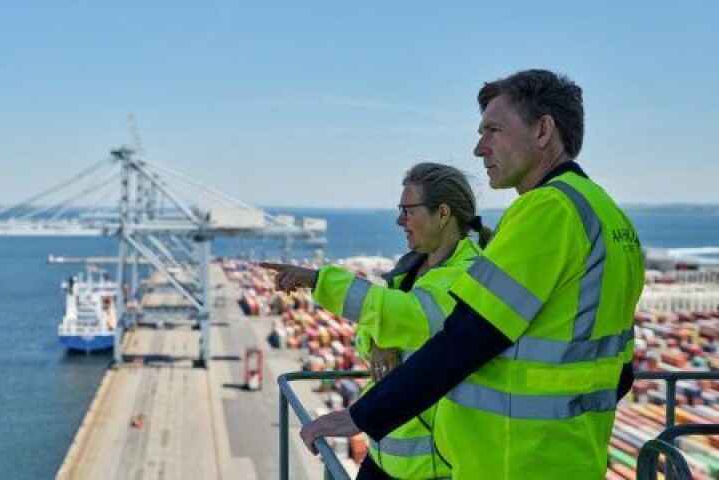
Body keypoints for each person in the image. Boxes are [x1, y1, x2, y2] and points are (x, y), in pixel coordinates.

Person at [296, 69, 644, 479]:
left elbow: (467, 339)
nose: (479, 149)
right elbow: (620, 372)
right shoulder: (608, 216)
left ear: (543, 130)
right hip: (571, 457)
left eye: (493, 130)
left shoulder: (548, 211)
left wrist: (362, 415)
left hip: (512, 462)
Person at [264, 162, 492, 479]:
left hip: (430, 468)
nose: (400, 221)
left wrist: (320, 280)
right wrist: (380, 339)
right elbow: (368, 334)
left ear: (443, 214)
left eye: (408, 211)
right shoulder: (411, 269)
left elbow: (410, 315)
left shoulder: (469, 272)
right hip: (383, 452)